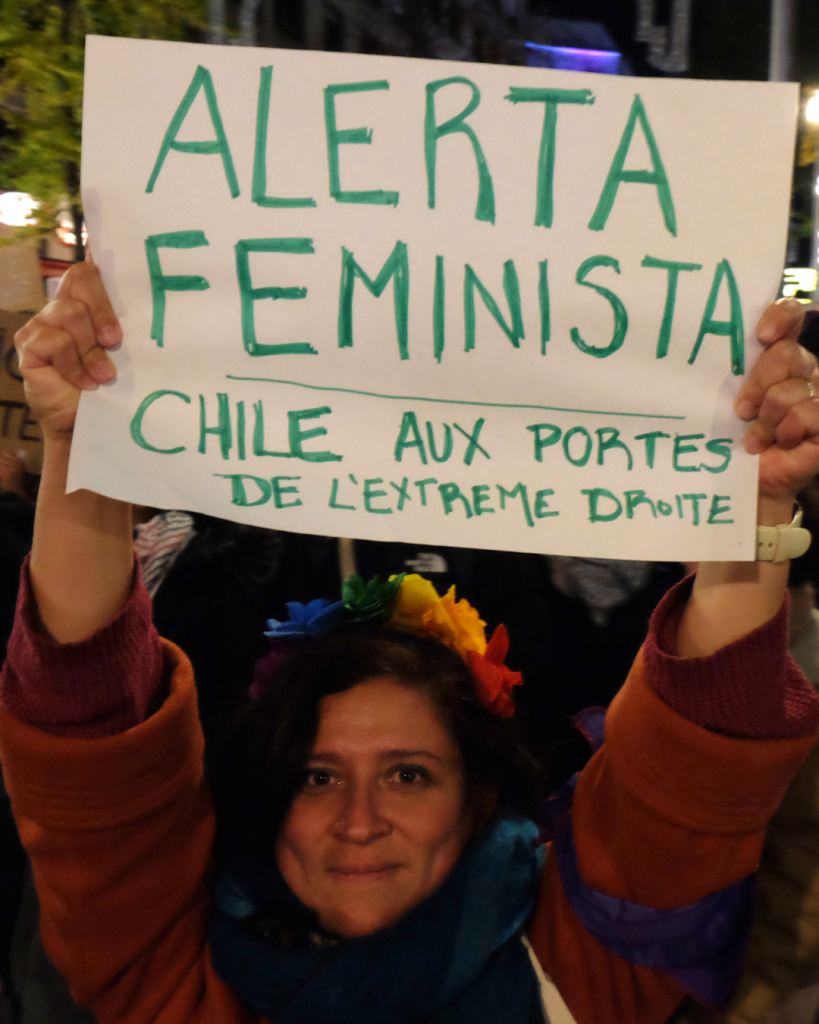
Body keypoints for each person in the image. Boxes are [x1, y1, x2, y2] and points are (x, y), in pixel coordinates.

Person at [1, 262, 819, 1024]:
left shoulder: (584, 962)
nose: (359, 822)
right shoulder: (170, 970)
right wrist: (86, 441)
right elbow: (88, 730)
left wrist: (749, 524)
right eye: (316, 775)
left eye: (408, 773)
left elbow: (695, 759)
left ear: (478, 798)